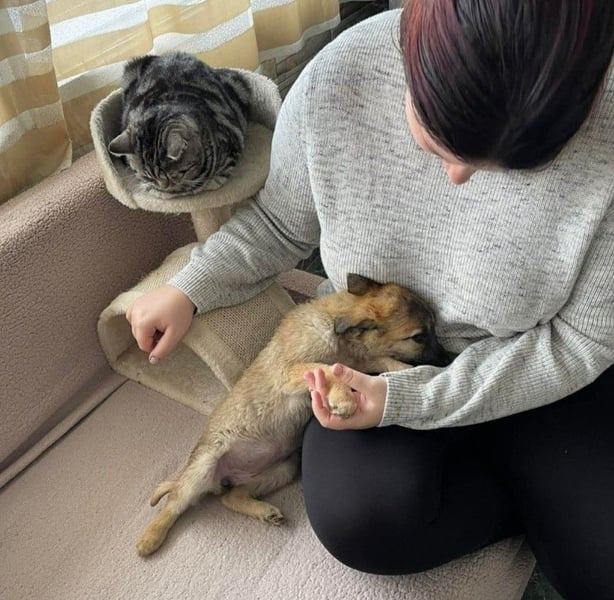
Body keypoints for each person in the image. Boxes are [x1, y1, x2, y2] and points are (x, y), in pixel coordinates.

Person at [126, 1, 614, 597]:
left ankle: (536, 491)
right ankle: (535, 498)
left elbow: (584, 340)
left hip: (546, 372)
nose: (458, 177)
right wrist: (190, 287)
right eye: (437, 141)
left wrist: (433, 398)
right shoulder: (338, 79)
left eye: (512, 165)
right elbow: (279, 224)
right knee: (360, 520)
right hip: (380, 369)